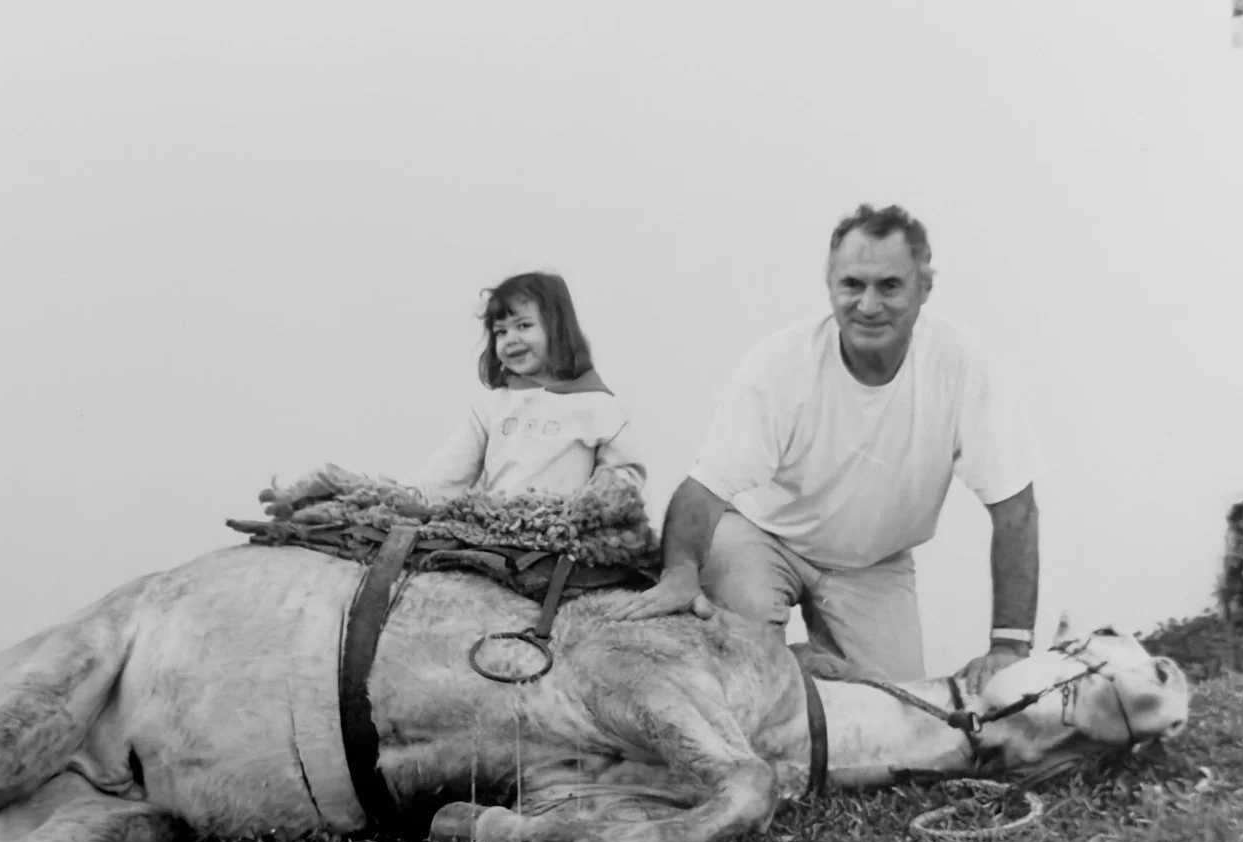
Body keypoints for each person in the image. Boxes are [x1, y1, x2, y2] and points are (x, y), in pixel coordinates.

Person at [607, 204, 1044, 686]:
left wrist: (1009, 645)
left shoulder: (962, 364)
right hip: (762, 537)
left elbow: (1014, 509)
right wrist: (680, 572)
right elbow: (705, 489)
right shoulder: (780, 363)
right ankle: (786, 663)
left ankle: (810, 666)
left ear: (925, 288)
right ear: (830, 283)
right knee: (745, 677)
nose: (869, 305)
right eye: (853, 284)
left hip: (873, 567)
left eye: (890, 286)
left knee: (898, 714)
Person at [411, 271, 647, 499]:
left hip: (564, 532)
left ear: (557, 329)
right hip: (497, 531)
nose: (510, 339)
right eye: (501, 332)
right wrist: (410, 497)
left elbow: (626, 471)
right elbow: (450, 470)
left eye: (523, 325)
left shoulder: (598, 405)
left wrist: (601, 502)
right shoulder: (494, 407)